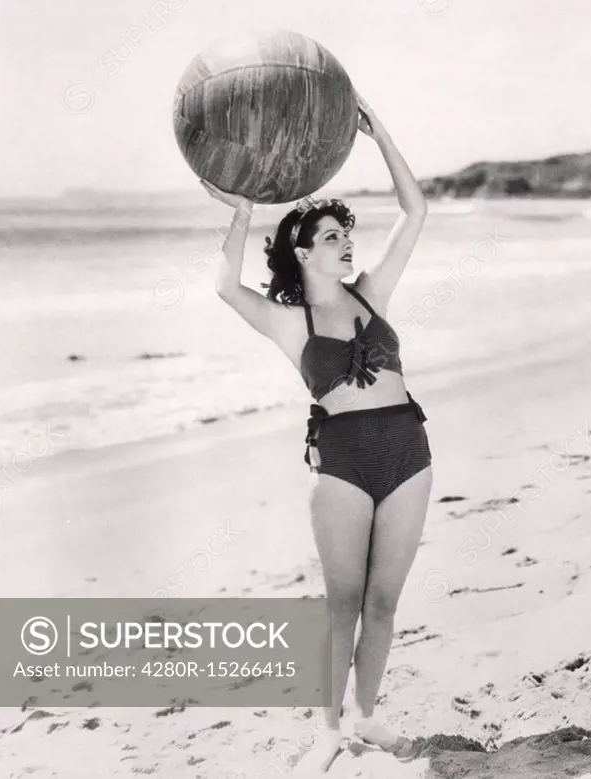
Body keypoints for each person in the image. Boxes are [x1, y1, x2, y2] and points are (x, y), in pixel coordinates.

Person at [202, 91, 431, 767]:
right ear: (301, 252)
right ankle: (326, 731)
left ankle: (366, 718)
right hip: (341, 460)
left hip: (409, 450)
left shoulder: (371, 292)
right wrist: (243, 213)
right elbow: (223, 286)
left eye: (344, 233)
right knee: (343, 602)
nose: (345, 242)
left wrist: (379, 134)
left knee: (385, 601)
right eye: (330, 236)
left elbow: (416, 211)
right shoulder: (286, 319)